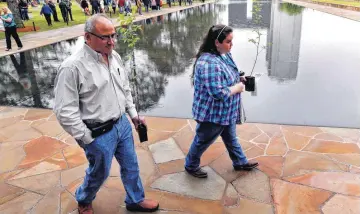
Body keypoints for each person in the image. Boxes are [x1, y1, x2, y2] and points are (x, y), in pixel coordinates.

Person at [53, 14, 159, 214]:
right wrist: (86, 137)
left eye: (113, 35)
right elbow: (64, 111)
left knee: (131, 165)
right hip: (97, 132)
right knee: (99, 173)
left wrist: (133, 115)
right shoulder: (72, 67)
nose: (112, 41)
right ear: (87, 37)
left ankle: (135, 199)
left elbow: (124, 89)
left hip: (122, 125)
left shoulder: (114, 56)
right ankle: (84, 199)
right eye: (105, 37)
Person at [185, 24, 259, 178]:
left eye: (232, 41)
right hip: (213, 115)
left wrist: (239, 78)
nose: (231, 45)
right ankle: (190, 166)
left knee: (231, 138)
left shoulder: (223, 54)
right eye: (228, 41)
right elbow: (217, 92)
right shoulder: (208, 63)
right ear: (216, 42)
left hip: (226, 112)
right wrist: (237, 88)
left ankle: (240, 162)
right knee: (201, 141)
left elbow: (227, 75)